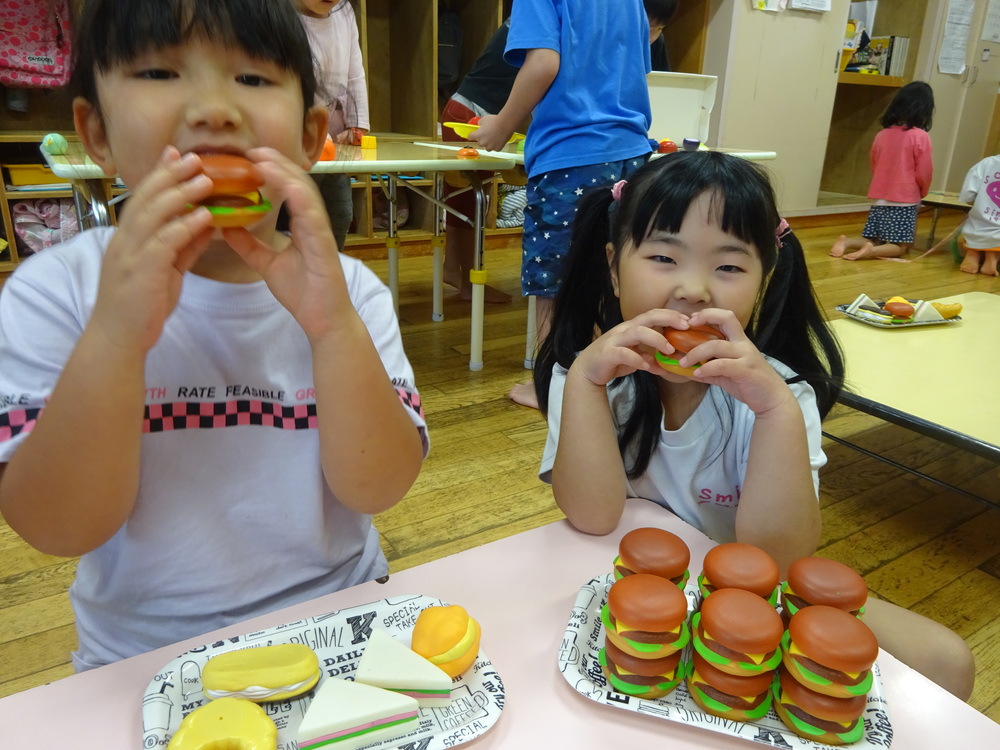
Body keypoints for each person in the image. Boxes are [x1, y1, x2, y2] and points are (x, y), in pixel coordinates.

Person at [0, 0, 427, 671]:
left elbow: (379, 488)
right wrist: (115, 338)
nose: (213, 109)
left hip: (340, 624)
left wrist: (331, 327)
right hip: (143, 655)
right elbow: (57, 528)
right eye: (160, 72)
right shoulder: (58, 293)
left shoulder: (351, 293)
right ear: (97, 133)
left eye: (252, 80)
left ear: (311, 135)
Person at [534, 150, 975, 700]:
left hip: (752, 604)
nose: (693, 288)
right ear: (613, 267)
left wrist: (774, 411)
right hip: (632, 591)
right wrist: (583, 383)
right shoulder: (587, 376)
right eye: (663, 257)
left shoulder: (778, 394)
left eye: (729, 266)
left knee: (947, 659)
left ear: (763, 281)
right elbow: (594, 517)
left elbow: (782, 559)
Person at [471, 0, 654, 410]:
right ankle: (613, 377)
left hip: (570, 154)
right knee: (613, 273)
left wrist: (501, 124)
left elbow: (542, 64)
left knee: (554, 279)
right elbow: (639, 70)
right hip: (631, 150)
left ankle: (551, 386)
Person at [440, 17, 519, 304]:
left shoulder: (526, 19)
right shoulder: (535, 19)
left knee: (464, 198)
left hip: (468, 112)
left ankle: (453, 269)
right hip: (470, 116)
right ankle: (470, 283)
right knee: (471, 201)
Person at [830, 81, 934, 261]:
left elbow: (874, 164)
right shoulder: (920, 136)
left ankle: (847, 242)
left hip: (881, 197)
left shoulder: (882, 134)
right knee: (900, 247)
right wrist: (923, 191)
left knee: (873, 237)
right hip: (905, 198)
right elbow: (924, 171)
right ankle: (871, 252)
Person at [297, 0, 370, 251]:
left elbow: (355, 74)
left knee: (340, 213)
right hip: (292, 139)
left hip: (332, 138)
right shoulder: (276, 12)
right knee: (303, 216)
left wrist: (357, 124)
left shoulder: (344, 11)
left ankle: (331, 277)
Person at [925, 153, 1000, 275]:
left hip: (978, 227)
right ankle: (992, 258)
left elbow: (968, 195)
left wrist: (981, 205)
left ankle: (973, 254)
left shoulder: (986, 163)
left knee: (975, 230)